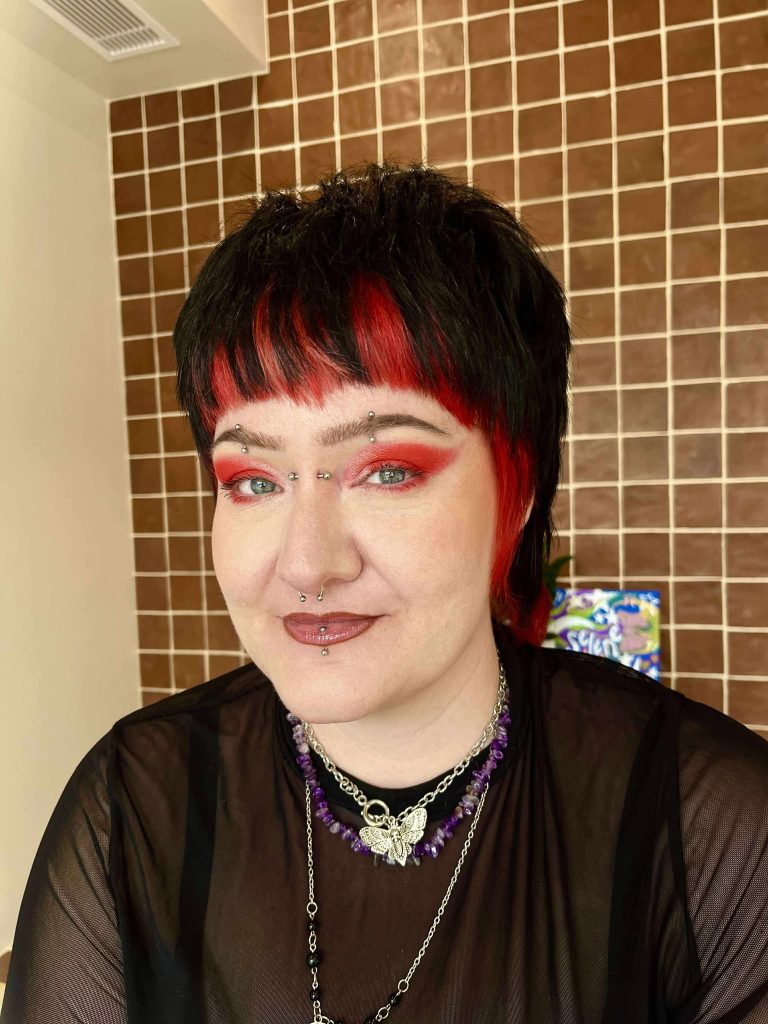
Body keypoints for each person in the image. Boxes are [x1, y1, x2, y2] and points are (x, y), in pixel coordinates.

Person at [2, 162, 767, 1024]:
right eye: (253, 480)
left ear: (517, 490)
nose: (307, 563)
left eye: (389, 470)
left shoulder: (708, 829)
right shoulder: (134, 810)